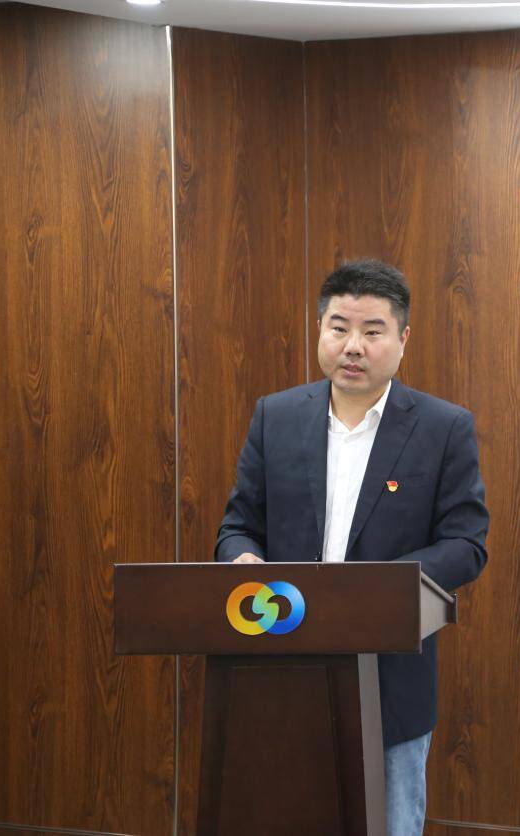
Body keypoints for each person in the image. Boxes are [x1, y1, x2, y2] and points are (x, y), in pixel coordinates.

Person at [216, 259, 489, 835]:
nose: (353, 346)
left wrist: (378, 588)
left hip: (390, 680)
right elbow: (239, 524)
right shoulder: (275, 416)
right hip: (283, 666)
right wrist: (241, 558)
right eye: (339, 328)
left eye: (372, 331)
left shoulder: (443, 428)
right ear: (320, 330)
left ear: (403, 338)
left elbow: (466, 543)